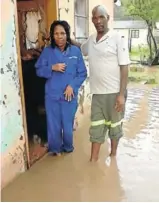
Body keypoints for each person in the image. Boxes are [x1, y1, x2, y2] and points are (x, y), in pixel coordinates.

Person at [72, 5, 130, 162]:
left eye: (101, 17)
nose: (98, 21)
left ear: (108, 18)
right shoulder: (91, 40)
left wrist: (121, 95)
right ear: (92, 20)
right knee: (96, 128)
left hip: (114, 93)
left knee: (115, 126)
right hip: (97, 94)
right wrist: (68, 40)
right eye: (95, 18)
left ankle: (113, 155)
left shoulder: (118, 38)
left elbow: (124, 67)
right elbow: (81, 48)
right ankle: (93, 161)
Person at [35, 20, 87, 156]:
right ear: (52, 35)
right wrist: (52, 68)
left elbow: (83, 73)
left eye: (62, 33)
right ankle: (55, 149)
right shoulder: (47, 52)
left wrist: (72, 86)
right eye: (56, 33)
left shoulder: (75, 51)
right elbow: (39, 70)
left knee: (67, 126)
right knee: (53, 125)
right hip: (52, 96)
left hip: (69, 96)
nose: (59, 36)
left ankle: (68, 148)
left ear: (67, 34)